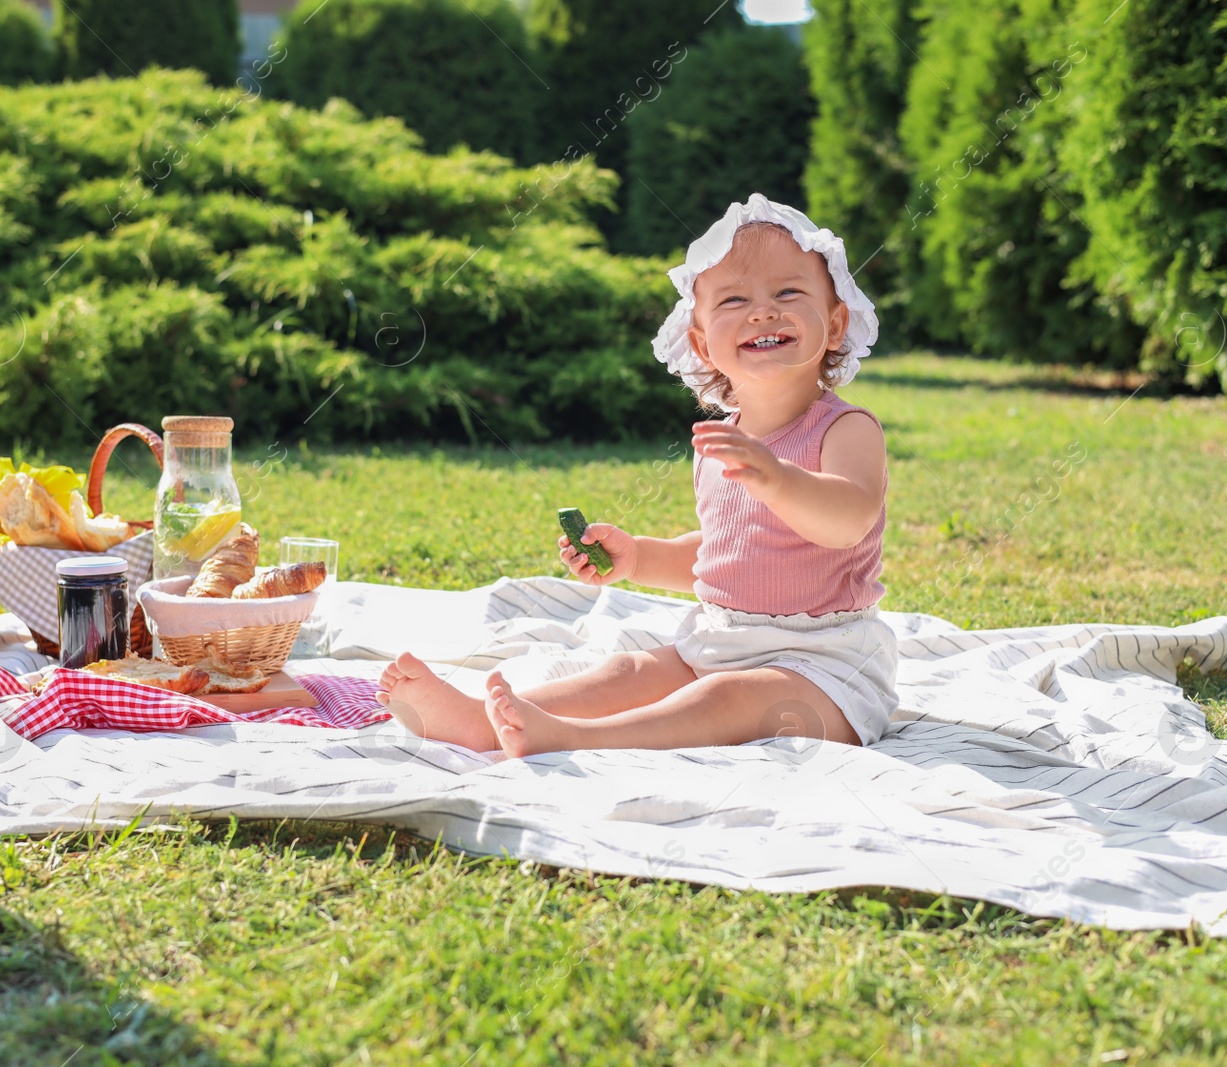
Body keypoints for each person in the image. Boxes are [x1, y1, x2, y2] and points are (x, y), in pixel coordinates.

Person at [374, 193, 898, 759]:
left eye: (788, 292)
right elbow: (730, 556)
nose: (762, 312)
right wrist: (639, 557)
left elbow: (847, 519)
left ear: (837, 320)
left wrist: (776, 478)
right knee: (629, 669)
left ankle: (575, 738)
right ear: (701, 343)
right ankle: (481, 720)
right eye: (735, 299)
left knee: (729, 698)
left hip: (827, 668)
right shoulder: (722, 441)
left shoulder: (844, 429)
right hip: (721, 642)